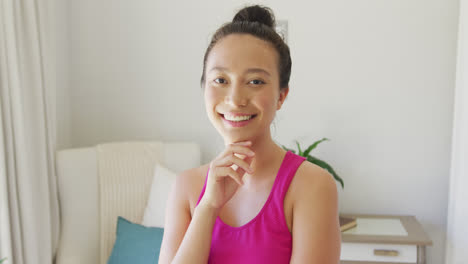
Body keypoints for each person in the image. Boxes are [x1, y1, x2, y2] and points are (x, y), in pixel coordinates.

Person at [159, 4, 341, 264]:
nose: (235, 100)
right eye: (221, 80)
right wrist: (208, 207)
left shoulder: (312, 186)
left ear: (281, 95)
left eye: (255, 81)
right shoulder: (186, 188)